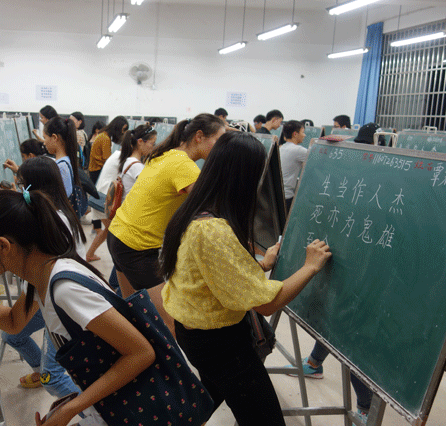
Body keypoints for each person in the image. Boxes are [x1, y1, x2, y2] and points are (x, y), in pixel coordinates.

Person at [159, 131, 332, 426]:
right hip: (220, 344)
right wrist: (310, 267)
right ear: (245, 178)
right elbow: (266, 304)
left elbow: (216, 274)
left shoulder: (195, 210)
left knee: (211, 397)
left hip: (196, 335)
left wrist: (262, 264)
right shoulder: (213, 231)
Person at [0, 189, 157, 426]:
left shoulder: (65, 289)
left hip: (131, 410)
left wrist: (71, 409)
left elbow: (141, 352)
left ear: (3, 245)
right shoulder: (40, 276)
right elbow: (14, 323)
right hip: (109, 407)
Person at [288, 124, 378, 424]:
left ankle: (365, 405)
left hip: (364, 277)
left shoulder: (375, 193)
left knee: (350, 335)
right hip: (342, 267)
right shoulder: (352, 187)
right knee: (336, 321)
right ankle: (315, 363)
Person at [107, 114, 226, 334]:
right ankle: (161, 356)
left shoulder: (166, 154)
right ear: (199, 136)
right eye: (219, 140)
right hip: (136, 247)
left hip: (118, 235)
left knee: (135, 312)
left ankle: (139, 350)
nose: (221, 147)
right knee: (169, 324)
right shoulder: (184, 166)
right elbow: (210, 206)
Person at [2, 157, 85, 396]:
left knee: (54, 379)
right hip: (47, 297)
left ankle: (95, 414)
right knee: (12, 335)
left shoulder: (50, 222)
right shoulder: (55, 212)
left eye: (22, 185)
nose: (20, 190)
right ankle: (42, 371)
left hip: (61, 304)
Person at [85, 125, 157, 262]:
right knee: (111, 232)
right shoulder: (132, 163)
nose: (153, 147)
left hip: (103, 193)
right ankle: (98, 256)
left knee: (108, 230)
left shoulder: (122, 157)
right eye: (152, 144)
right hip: (106, 196)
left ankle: (91, 254)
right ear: (139, 142)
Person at [88, 116, 129, 232]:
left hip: (95, 169)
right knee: (97, 200)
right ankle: (96, 228)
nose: (123, 133)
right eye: (123, 129)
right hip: (98, 170)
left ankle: (96, 227)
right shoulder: (105, 138)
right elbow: (106, 158)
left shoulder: (102, 135)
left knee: (95, 200)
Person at [43, 117, 85, 216]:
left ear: (54, 137)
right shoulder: (66, 161)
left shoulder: (61, 167)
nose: (44, 143)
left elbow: (58, 201)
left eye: (45, 138)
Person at [279, 120, 308, 212]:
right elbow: (316, 162)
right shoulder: (298, 150)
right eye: (303, 132)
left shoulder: (281, 147)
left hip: (278, 194)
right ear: (295, 134)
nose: (304, 135)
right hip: (287, 196)